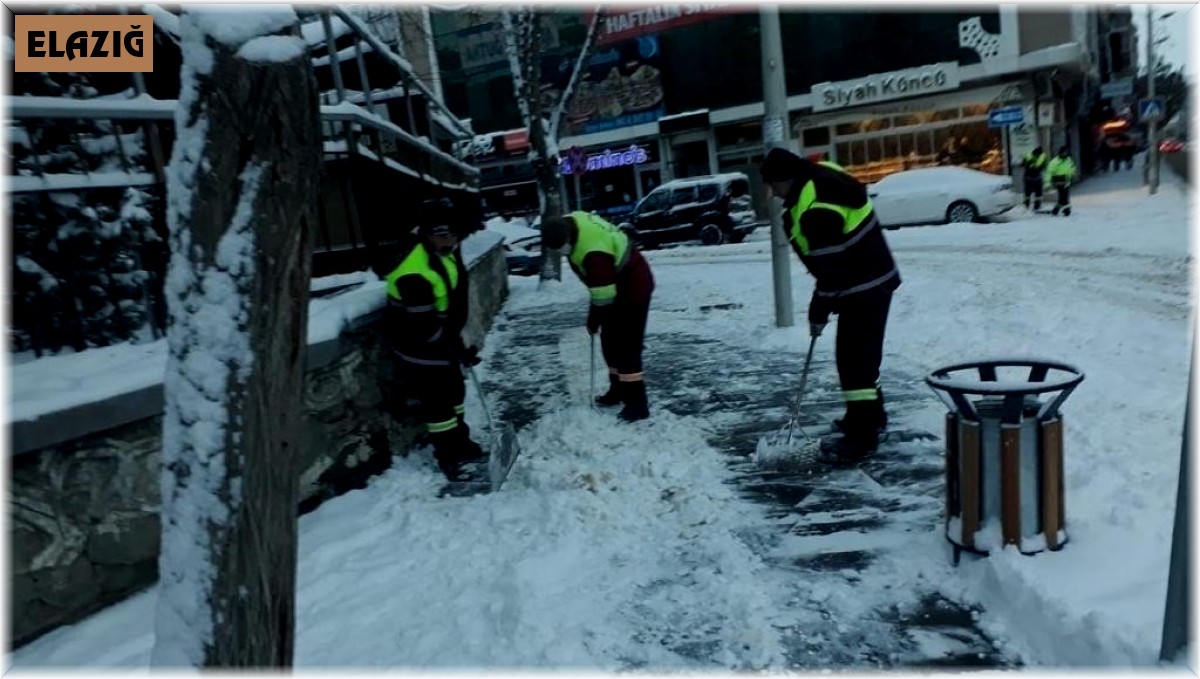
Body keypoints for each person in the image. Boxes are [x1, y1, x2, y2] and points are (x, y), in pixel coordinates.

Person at [759, 147, 901, 462]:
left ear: (786, 179)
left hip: (863, 286)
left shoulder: (814, 209)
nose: (773, 194)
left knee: (854, 363)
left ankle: (862, 438)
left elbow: (833, 270)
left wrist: (819, 309)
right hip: (870, 278)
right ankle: (869, 416)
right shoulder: (819, 176)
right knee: (862, 358)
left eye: (773, 186)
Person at [384, 197, 486, 481]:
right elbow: (426, 329)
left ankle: (461, 442)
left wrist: (458, 347)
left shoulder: (445, 253)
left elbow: (450, 308)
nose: (449, 241)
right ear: (426, 235)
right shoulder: (413, 274)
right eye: (441, 235)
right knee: (438, 402)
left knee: (456, 393)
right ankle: (449, 455)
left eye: (452, 234)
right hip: (417, 346)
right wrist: (453, 349)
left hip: (440, 338)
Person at [540, 211, 655, 422]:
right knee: (610, 341)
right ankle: (618, 390)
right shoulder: (572, 221)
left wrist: (593, 321)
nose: (562, 252)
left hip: (634, 288)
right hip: (616, 285)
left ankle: (637, 404)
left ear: (567, 238)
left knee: (627, 347)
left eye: (561, 248)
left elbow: (603, 296)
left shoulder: (593, 253)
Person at [1047, 146, 1077, 216]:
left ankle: (1056, 210)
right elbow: (1049, 173)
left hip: (1066, 181)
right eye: (1064, 152)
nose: (1065, 154)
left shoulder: (1069, 160)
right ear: (1060, 153)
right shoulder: (1054, 161)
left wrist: (1073, 176)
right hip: (1058, 181)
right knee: (1064, 197)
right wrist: (1047, 183)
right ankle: (1067, 211)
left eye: (1066, 152)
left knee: (1063, 197)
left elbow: (1072, 168)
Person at [1021, 146, 1048, 210]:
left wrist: (1031, 166)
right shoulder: (1031, 156)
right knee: (1034, 192)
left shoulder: (1039, 156)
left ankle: (1031, 204)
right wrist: (1031, 166)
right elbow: (1023, 164)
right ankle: (1033, 205)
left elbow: (1023, 164)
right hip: (1032, 176)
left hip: (1031, 176)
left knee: (1031, 191)